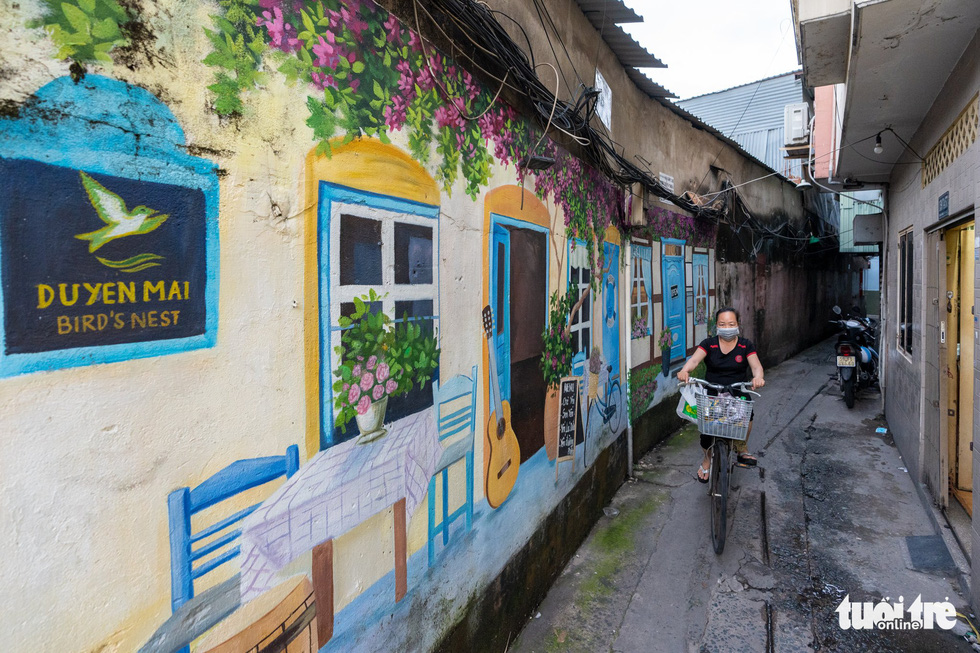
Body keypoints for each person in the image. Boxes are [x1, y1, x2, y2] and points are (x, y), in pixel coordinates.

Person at [676, 307, 765, 483]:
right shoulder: (709, 344)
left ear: (738, 324)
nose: (727, 328)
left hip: (737, 392)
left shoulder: (745, 345)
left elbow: (756, 366)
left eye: (731, 324)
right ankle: (707, 459)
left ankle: (741, 447)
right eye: (722, 324)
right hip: (712, 393)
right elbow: (694, 360)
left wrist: (758, 377)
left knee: (748, 415)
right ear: (716, 325)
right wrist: (685, 371)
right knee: (706, 434)